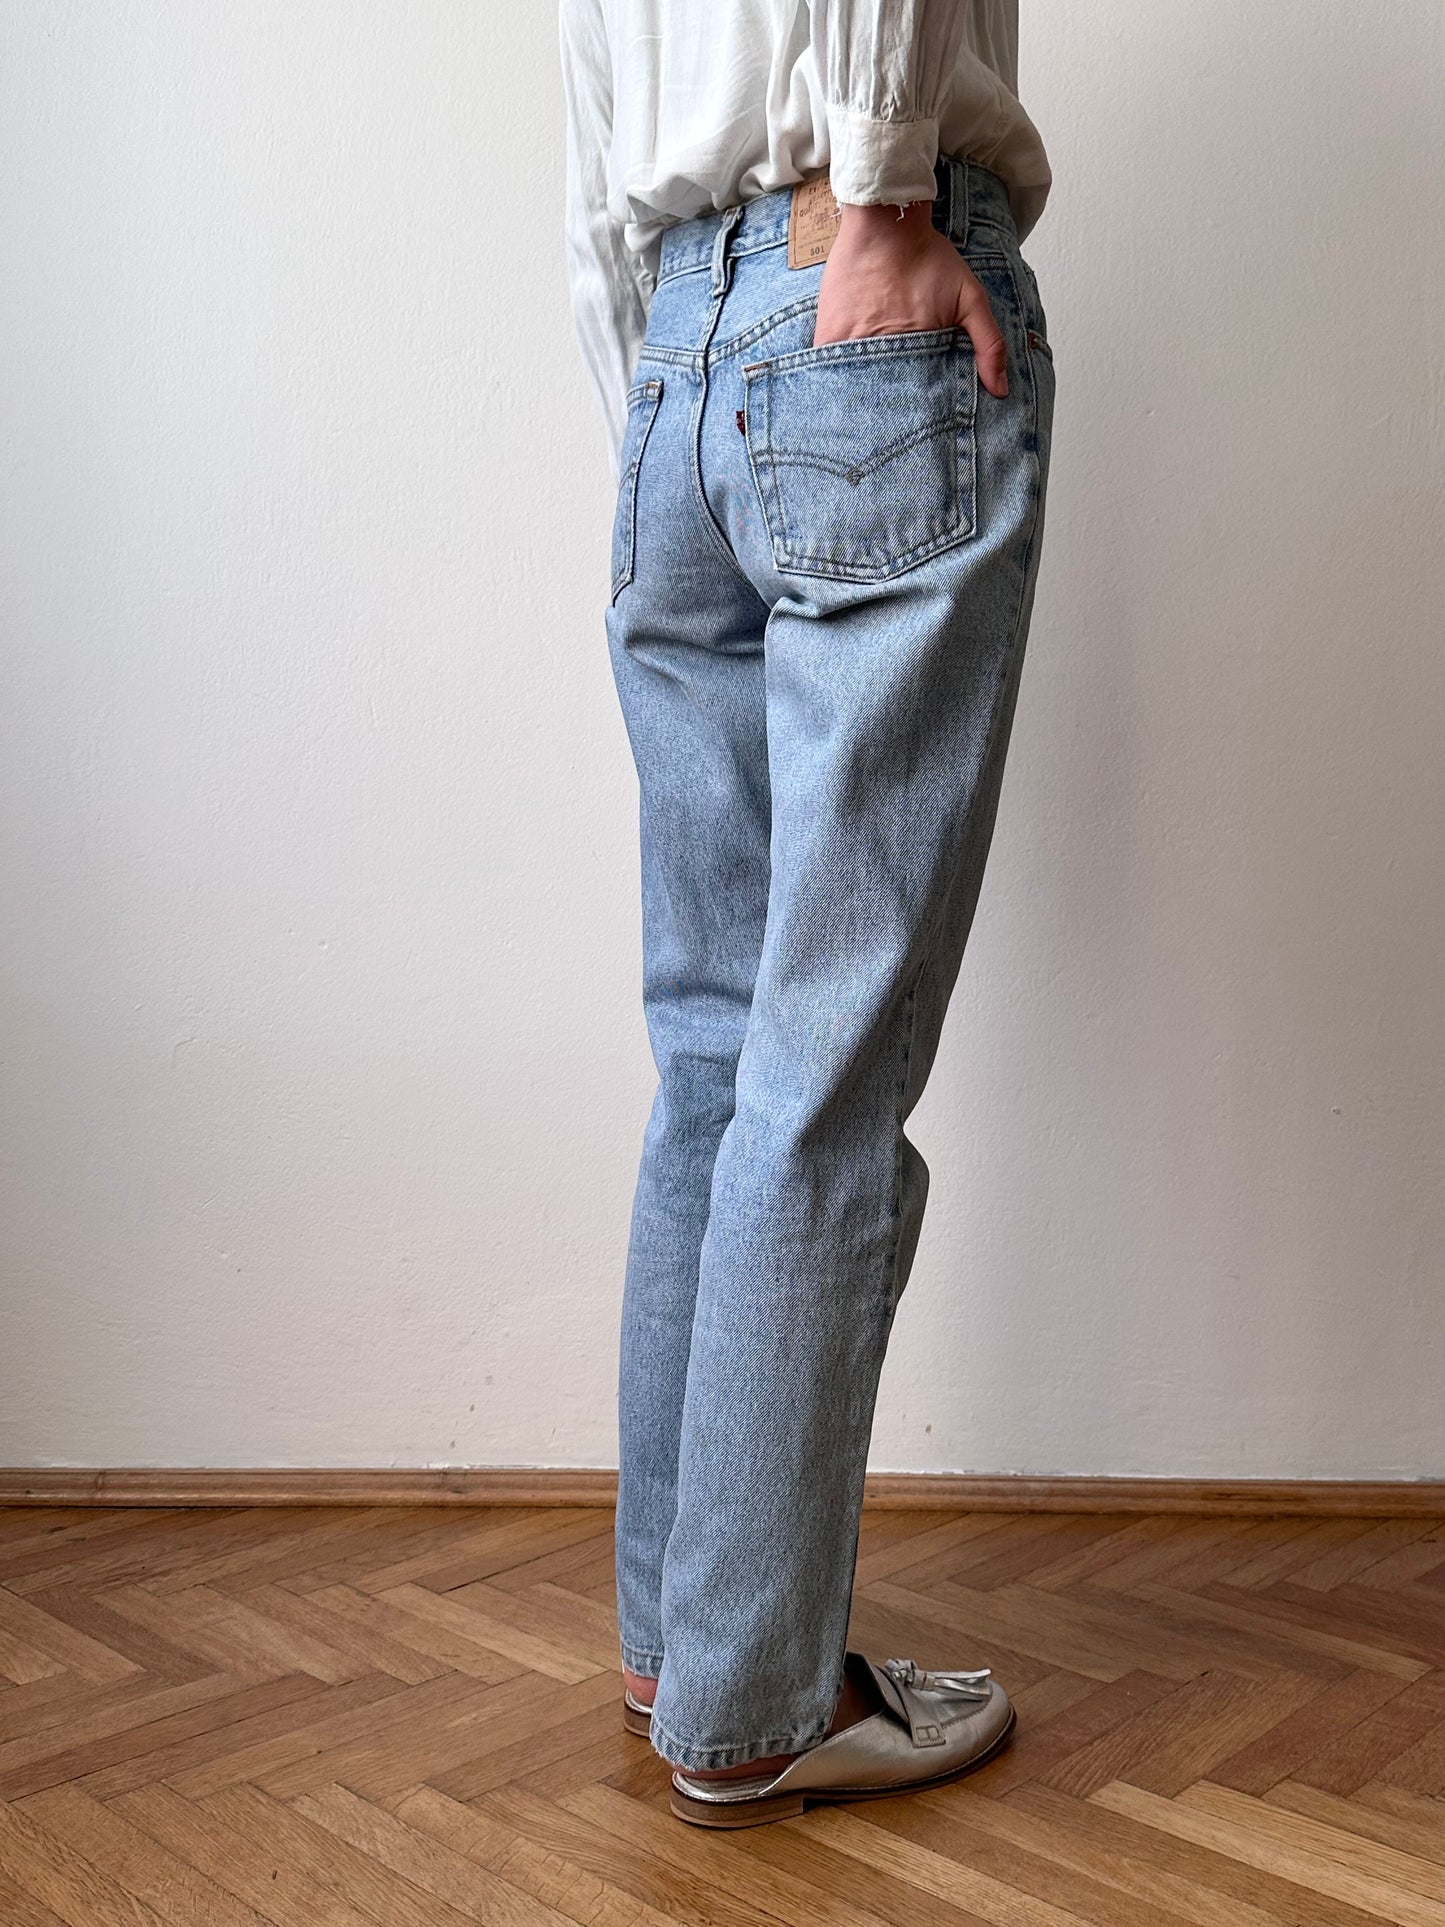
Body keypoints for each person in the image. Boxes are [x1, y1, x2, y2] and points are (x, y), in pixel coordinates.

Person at [558, 0, 1056, 1828]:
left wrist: (653, 400)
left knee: (714, 1055)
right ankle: (755, 1706)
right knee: (821, 1062)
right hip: (850, 265)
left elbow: (589, 104)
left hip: (669, 359)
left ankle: (678, 1644)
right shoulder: (878, 207)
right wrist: (886, 195)